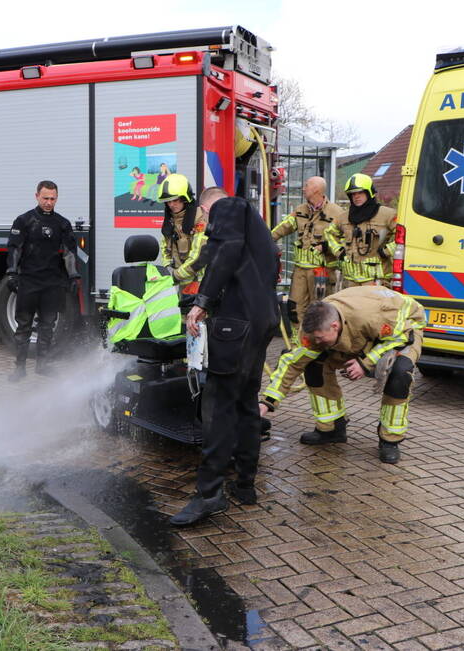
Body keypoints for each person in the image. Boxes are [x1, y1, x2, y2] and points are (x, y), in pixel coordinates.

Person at [170, 187, 280, 527]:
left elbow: (225, 251)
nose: (205, 222)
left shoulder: (229, 207)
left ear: (206, 206)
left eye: (203, 215)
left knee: (216, 407)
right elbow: (222, 259)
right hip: (261, 321)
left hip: (238, 324)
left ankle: (209, 495)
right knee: (246, 401)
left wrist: (202, 301)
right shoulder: (254, 224)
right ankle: (245, 484)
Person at [259, 286, 426, 464]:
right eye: (314, 338)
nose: (316, 342)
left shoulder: (371, 316)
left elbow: (401, 338)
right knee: (313, 363)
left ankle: (390, 439)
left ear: (334, 326)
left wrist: (365, 363)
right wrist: (267, 401)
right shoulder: (314, 330)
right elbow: (292, 364)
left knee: (401, 373)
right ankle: (331, 428)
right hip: (362, 333)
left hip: (404, 328)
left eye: (320, 339)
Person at [6, 180, 80, 380]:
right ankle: (19, 368)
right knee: (24, 326)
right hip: (28, 281)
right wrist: (12, 272)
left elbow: (69, 252)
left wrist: (73, 276)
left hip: (52, 283)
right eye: (45, 198)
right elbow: (14, 249)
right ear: (36, 196)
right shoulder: (23, 221)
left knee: (48, 325)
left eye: (52, 198)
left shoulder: (62, 224)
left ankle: (43, 365)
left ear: (57, 198)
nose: (49, 202)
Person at [270, 176, 344, 341]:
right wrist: (265, 239)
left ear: (317, 190)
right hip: (300, 271)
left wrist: (326, 247)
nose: (303, 189)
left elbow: (346, 240)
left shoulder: (337, 213)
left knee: (320, 310)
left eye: (306, 185)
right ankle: (299, 343)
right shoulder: (300, 210)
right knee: (294, 307)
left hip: (322, 272)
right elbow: (283, 228)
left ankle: (319, 345)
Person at [327, 173, 396, 288]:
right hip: (349, 281)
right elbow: (329, 233)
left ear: (369, 193)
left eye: (360, 192)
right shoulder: (344, 217)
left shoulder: (387, 214)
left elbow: (405, 235)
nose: (356, 197)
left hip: (376, 280)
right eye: (353, 194)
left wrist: (387, 251)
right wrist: (339, 251)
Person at [158, 173, 207, 293]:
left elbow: (198, 258)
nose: (171, 205)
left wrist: (175, 275)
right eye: (168, 202)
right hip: (178, 286)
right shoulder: (170, 220)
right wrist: (167, 268)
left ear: (185, 199)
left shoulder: (199, 219)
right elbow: (165, 248)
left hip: (199, 285)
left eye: (175, 200)